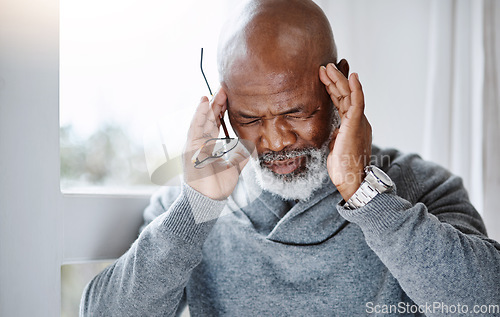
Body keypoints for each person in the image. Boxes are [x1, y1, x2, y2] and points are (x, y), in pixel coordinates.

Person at [80, 0, 500, 316]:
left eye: (296, 112)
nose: (277, 140)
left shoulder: (422, 186)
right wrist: (196, 209)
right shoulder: (190, 209)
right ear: (224, 110)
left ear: (336, 86)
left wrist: (365, 194)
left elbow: (487, 304)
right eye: (249, 118)